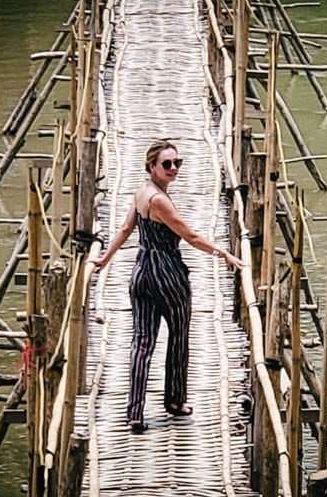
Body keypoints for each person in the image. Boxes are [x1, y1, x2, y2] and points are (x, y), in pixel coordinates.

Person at [91, 140, 244, 433]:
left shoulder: (141, 193)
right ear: (152, 166)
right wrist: (223, 253)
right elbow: (191, 236)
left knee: (142, 341)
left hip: (141, 271)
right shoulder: (159, 200)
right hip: (166, 272)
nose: (173, 168)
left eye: (177, 163)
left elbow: (126, 230)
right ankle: (174, 400)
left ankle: (134, 411)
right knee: (178, 335)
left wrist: (104, 258)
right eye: (167, 164)